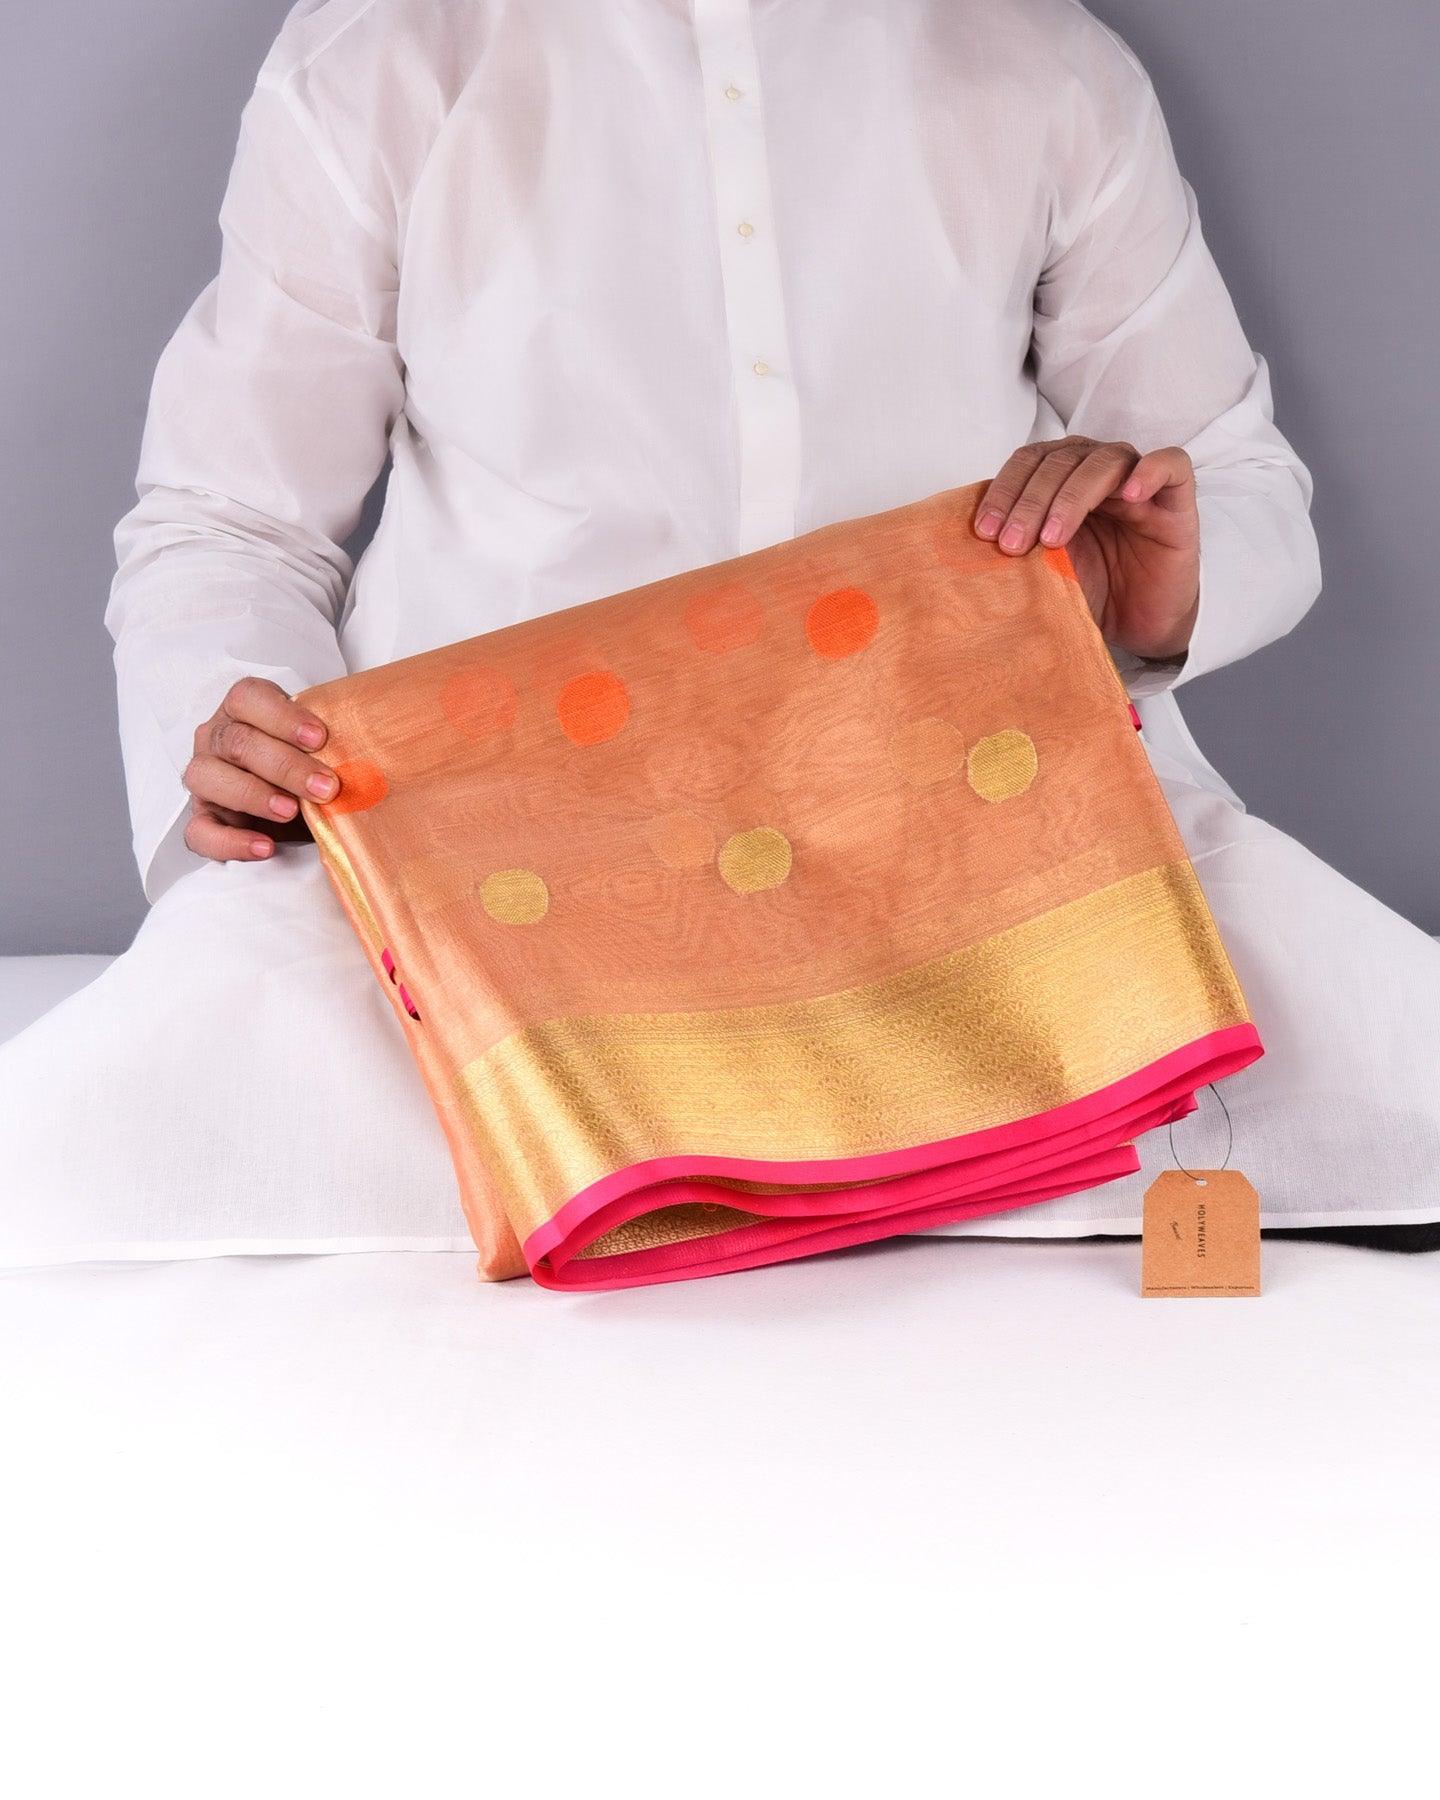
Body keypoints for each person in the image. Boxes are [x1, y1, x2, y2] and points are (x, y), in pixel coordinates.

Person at [4, 0, 1437, 1264]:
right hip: (498, 872)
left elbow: (1234, 479)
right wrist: (243, 721)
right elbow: (229, 519)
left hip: (977, 837)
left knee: (1366, 1066)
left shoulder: (1044, 62)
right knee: (103, 1144)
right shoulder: (383, 59)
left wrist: (1157, 588)